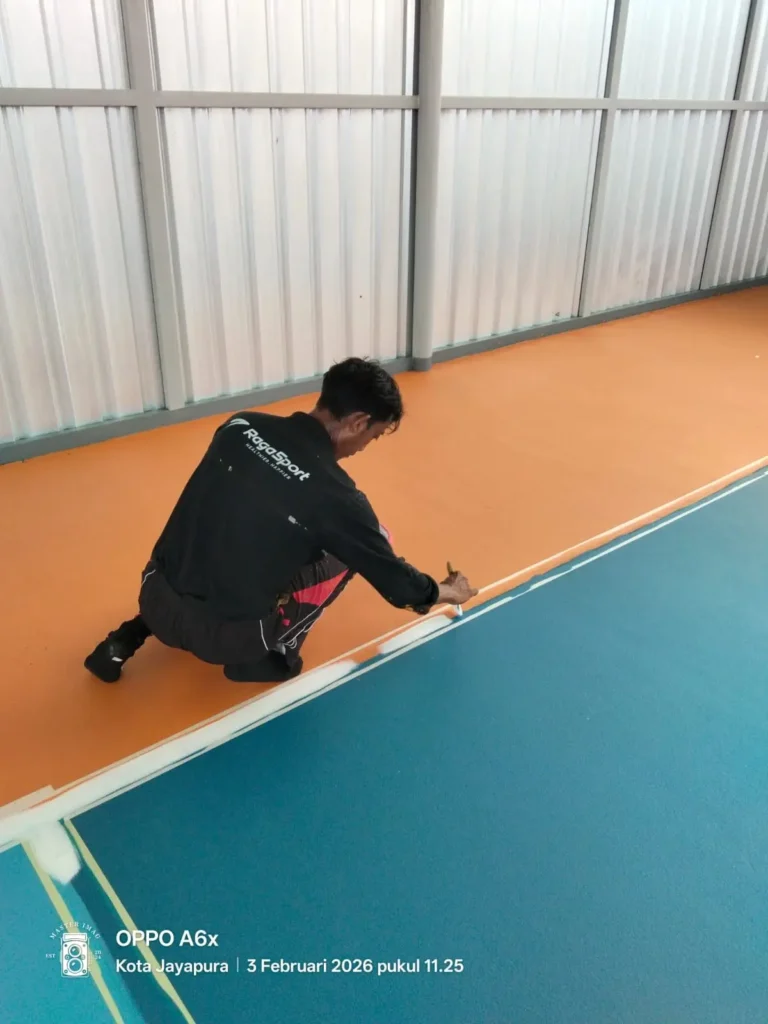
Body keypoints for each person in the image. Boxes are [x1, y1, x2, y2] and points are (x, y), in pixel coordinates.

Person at [85, 358, 477, 685]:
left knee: (220, 523)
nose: (363, 448)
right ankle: (272, 657)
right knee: (372, 540)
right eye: (372, 437)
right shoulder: (339, 498)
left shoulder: (240, 425)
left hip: (153, 594)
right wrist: (447, 592)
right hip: (222, 640)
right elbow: (398, 585)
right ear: (358, 422)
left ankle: (129, 635)